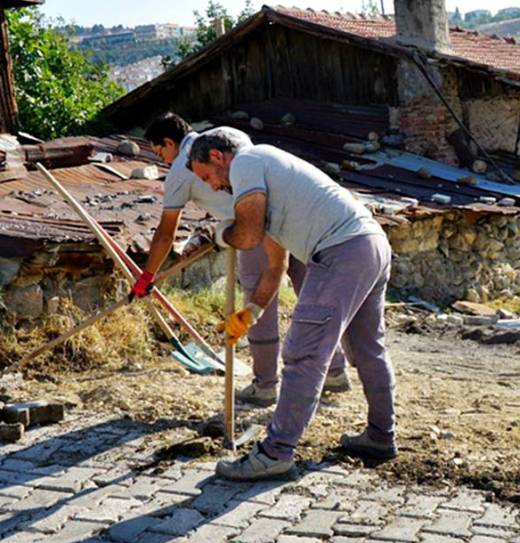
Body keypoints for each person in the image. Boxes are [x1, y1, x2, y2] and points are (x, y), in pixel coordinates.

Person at [188, 129, 397, 481]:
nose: (211, 186)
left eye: (207, 176)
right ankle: (380, 436)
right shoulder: (271, 176)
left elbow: (247, 236)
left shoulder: (247, 162)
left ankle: (275, 452)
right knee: (366, 349)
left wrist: (219, 235)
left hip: (341, 251)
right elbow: (275, 266)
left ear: (218, 157)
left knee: (303, 354)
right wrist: (249, 314)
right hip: (369, 244)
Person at [132, 114, 351, 406]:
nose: (164, 161)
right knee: (310, 297)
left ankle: (265, 386)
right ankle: (335, 372)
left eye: (161, 152)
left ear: (170, 143)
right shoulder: (226, 134)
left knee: (258, 304)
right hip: (287, 219)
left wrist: (146, 277)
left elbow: (164, 235)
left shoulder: (177, 176)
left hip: (250, 229)